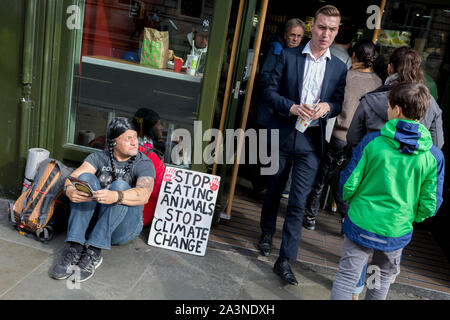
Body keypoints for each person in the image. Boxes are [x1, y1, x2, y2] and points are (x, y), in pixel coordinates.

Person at [257, 5, 347, 286]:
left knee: (298, 201)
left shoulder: (339, 66)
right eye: (322, 27)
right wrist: (292, 107)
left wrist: (327, 107)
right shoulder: (289, 54)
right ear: (312, 27)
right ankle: (266, 232)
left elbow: (339, 101)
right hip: (284, 132)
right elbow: (268, 91)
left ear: (337, 31)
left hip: (311, 141)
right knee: (273, 189)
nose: (326, 34)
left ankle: (285, 259)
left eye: (332, 29)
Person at [331, 82, 444, 300]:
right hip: (397, 228)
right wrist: (411, 216)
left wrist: (354, 203)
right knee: (379, 281)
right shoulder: (433, 156)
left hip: (362, 222)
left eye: (389, 106)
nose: (387, 109)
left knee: (347, 277)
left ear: (398, 110)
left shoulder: (372, 142)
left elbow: (348, 185)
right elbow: (430, 204)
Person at [49, 117, 156, 282]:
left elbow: (144, 193)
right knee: (84, 179)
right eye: (129, 138)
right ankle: (75, 247)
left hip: (123, 229)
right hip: (94, 224)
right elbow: (74, 177)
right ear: (114, 142)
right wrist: (69, 189)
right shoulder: (99, 157)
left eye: (136, 137)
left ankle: (94, 251)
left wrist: (117, 195)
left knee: (120, 186)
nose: (135, 142)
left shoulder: (144, 163)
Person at [303, 40, 382, 231]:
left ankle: (311, 216)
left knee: (322, 177)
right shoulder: (378, 82)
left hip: (338, 135)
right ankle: (347, 218)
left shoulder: (346, 76)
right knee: (349, 181)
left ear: (354, 56)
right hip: (362, 143)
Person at [347, 46, 444, 150]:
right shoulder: (430, 102)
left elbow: (353, 139)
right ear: (418, 71)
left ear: (389, 68)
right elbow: (437, 144)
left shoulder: (369, 100)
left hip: (372, 163)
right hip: (411, 165)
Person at [252, 18, 305, 195]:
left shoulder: (300, 55)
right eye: (292, 35)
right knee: (264, 151)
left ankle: (268, 187)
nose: (295, 39)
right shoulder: (277, 49)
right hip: (268, 111)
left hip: (285, 114)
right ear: (285, 35)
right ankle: (259, 187)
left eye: (299, 36)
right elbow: (265, 77)